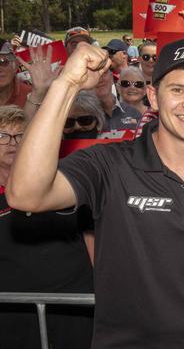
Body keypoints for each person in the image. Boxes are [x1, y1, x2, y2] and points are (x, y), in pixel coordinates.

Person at [6, 37, 184, 348]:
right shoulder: (108, 164)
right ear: (153, 96)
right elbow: (25, 195)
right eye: (177, 89)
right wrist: (66, 85)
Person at [0, 105, 94, 349]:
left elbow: (91, 236)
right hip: (14, 314)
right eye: (2, 135)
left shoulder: (64, 184)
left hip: (76, 308)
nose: (12, 142)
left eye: (21, 135)